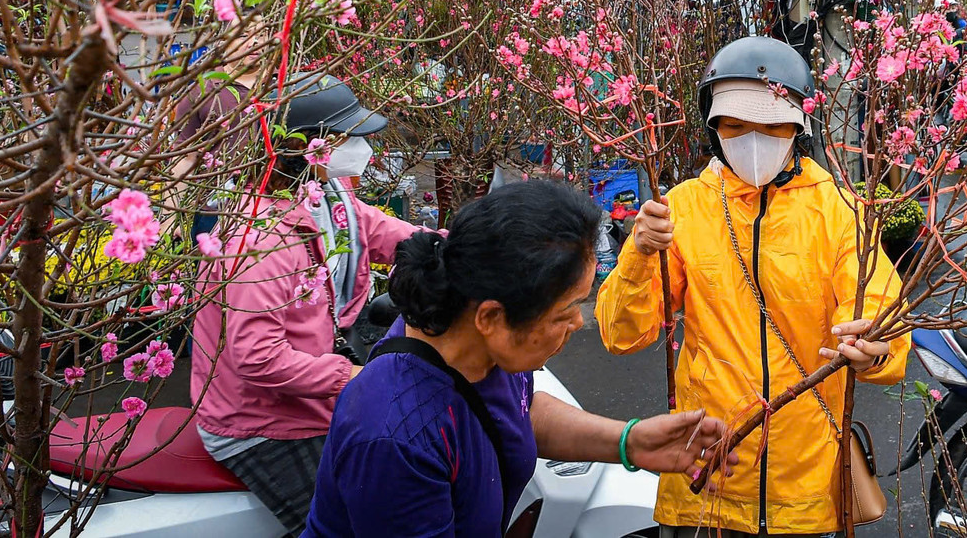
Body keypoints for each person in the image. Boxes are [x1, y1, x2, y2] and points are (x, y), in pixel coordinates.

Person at [597, 36, 911, 538]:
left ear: (799, 127)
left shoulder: (838, 213)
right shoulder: (682, 209)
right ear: (712, 126)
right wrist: (638, 253)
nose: (754, 137)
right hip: (707, 478)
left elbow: (883, 316)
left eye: (771, 124)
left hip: (803, 486)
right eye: (736, 124)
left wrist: (875, 348)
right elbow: (621, 334)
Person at [304, 180, 731, 536]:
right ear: (492, 316)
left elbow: (515, 414)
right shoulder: (393, 436)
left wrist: (631, 441)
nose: (577, 325)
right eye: (565, 313)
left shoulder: (464, 340)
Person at [190, 74, 426, 536]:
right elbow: (259, 359)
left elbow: (388, 234)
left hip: (311, 397)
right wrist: (356, 379)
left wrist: (470, 248)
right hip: (262, 421)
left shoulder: (330, 200)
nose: (361, 147)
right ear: (310, 149)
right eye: (349, 136)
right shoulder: (259, 243)